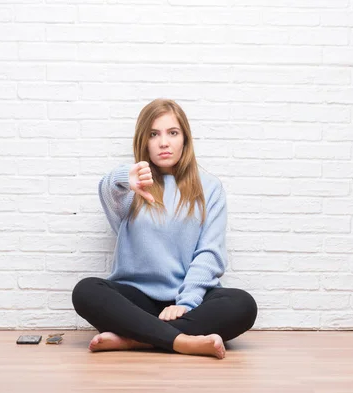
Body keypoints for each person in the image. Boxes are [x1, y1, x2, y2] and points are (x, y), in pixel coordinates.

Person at [71, 98, 257, 359]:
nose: (164, 142)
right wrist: (127, 177)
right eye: (153, 134)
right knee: (86, 290)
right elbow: (107, 190)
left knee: (243, 305)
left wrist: (185, 303)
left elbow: (210, 254)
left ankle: (136, 340)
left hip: (189, 301)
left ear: (185, 139)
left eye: (173, 133)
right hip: (136, 301)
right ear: (143, 141)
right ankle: (182, 340)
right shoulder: (133, 187)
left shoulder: (210, 188)